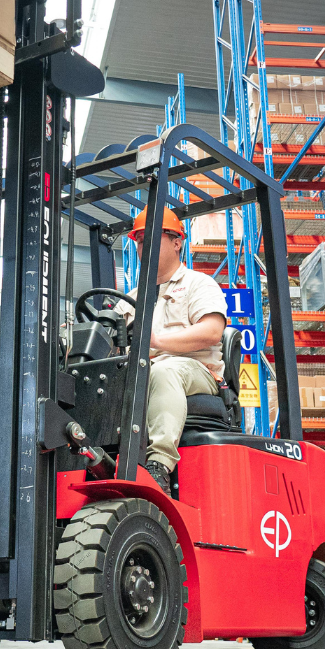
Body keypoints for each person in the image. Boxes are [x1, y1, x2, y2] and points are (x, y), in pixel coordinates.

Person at [120, 206, 228, 495]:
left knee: (164, 371)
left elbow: (212, 331)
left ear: (177, 241)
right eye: (140, 240)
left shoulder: (198, 284)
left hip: (196, 373)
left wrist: (156, 342)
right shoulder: (130, 299)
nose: (144, 246)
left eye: (152, 238)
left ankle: (159, 466)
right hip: (144, 374)